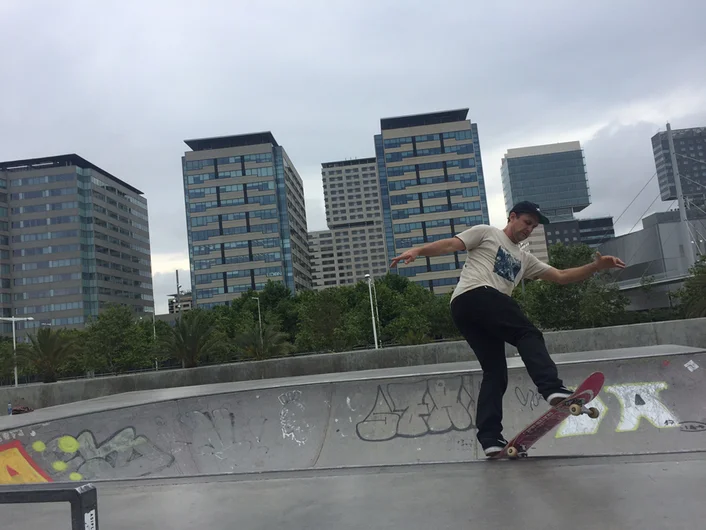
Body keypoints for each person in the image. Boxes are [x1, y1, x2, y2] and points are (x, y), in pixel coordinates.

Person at [389, 201, 626, 456]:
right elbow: (450, 244)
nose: (529, 230)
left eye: (533, 227)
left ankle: (490, 438)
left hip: (465, 311)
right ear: (512, 217)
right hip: (476, 295)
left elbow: (561, 276)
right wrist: (418, 250)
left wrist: (595, 267)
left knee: (495, 371)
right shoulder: (487, 233)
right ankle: (552, 388)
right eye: (526, 223)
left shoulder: (525, 258)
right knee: (528, 333)